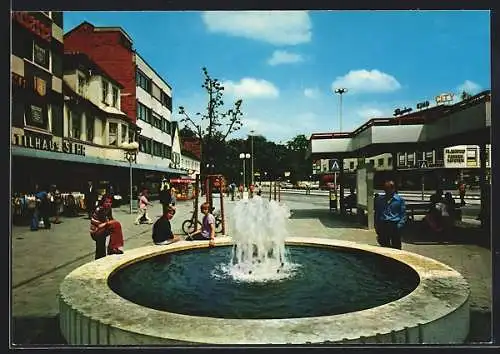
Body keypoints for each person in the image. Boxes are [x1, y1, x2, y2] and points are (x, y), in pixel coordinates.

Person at [374, 180, 406, 249]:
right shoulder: (380, 200)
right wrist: (377, 226)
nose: (386, 191)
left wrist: (400, 224)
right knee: (384, 246)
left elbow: (403, 214)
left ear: (393, 189)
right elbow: (377, 213)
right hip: (384, 224)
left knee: (396, 246)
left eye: (388, 189)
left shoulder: (399, 200)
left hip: (395, 224)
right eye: (385, 189)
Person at [89, 195, 124, 259]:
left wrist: (112, 223)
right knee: (115, 225)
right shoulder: (100, 209)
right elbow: (101, 225)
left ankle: (113, 247)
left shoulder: (108, 209)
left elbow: (110, 220)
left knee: (116, 225)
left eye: (110, 202)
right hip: (96, 232)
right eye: (106, 202)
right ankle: (107, 252)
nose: (108, 204)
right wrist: (110, 223)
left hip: (102, 228)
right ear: (103, 203)